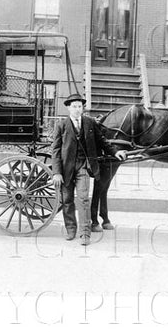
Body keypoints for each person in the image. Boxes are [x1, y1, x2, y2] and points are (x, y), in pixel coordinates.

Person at [51, 93, 127, 246]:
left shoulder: (90, 123)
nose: (77, 109)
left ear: (82, 108)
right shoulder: (61, 125)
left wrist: (115, 152)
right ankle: (71, 230)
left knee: (84, 199)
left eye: (80, 106)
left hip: (84, 167)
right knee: (67, 200)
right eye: (74, 106)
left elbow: (102, 141)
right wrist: (57, 172)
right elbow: (56, 150)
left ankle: (85, 234)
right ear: (68, 108)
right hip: (66, 169)